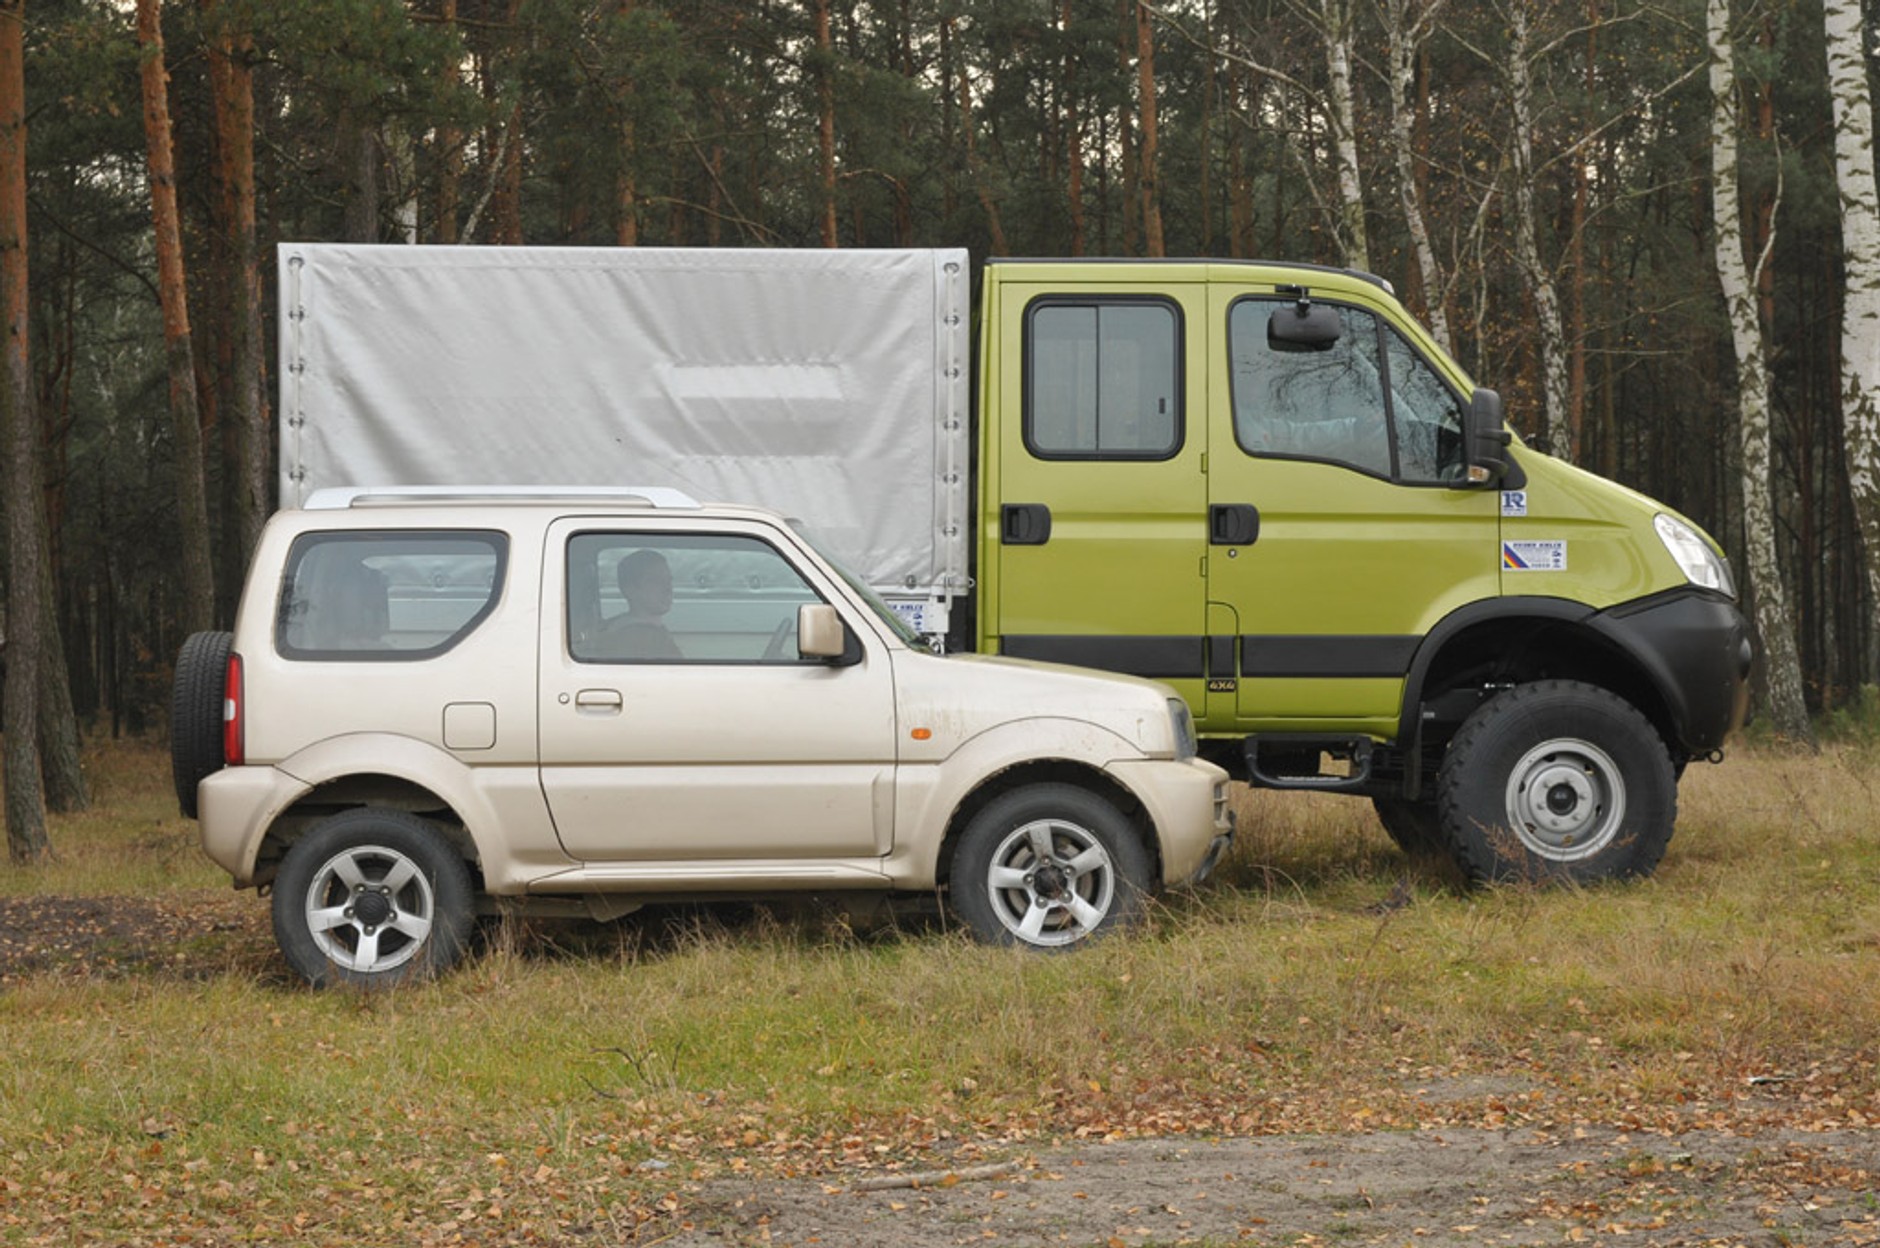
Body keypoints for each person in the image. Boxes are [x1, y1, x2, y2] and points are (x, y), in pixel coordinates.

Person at [595, 548, 683, 660]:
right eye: (655, 581)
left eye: (669, 580)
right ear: (630, 590)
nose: (668, 589)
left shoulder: (614, 627)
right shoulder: (639, 639)